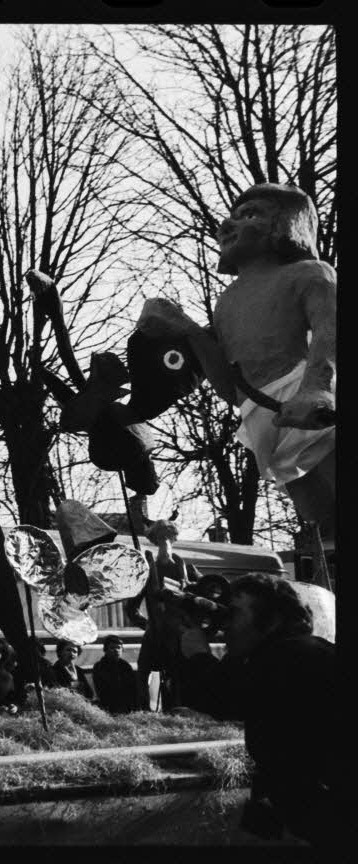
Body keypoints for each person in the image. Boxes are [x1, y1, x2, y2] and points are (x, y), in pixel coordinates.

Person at [139, 184, 334, 539]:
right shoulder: (226, 303)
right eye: (233, 215)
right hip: (265, 416)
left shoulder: (311, 273)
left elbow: (330, 330)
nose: (228, 224)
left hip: (313, 405)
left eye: (251, 214)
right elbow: (232, 387)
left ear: (284, 225)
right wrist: (185, 328)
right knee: (321, 519)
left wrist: (317, 388)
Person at [175, 574, 336, 846]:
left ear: (272, 620)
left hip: (325, 817)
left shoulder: (295, 657)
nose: (226, 626)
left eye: (234, 614)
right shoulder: (280, 653)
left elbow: (223, 698)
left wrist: (199, 656)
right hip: (293, 806)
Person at [125, 519, 201, 710]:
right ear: (155, 540)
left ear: (174, 538)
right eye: (161, 537)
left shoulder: (186, 569)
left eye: (168, 536)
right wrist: (148, 624)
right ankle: (143, 710)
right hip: (156, 630)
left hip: (179, 632)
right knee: (143, 670)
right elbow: (131, 608)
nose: (165, 541)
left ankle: (178, 709)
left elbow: (205, 595)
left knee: (179, 674)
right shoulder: (148, 571)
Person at [92, 635, 139, 714]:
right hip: (108, 706)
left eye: (119, 648)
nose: (116, 650)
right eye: (112, 648)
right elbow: (102, 689)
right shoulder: (99, 666)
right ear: (105, 650)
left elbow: (133, 687)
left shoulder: (125, 665)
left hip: (127, 706)